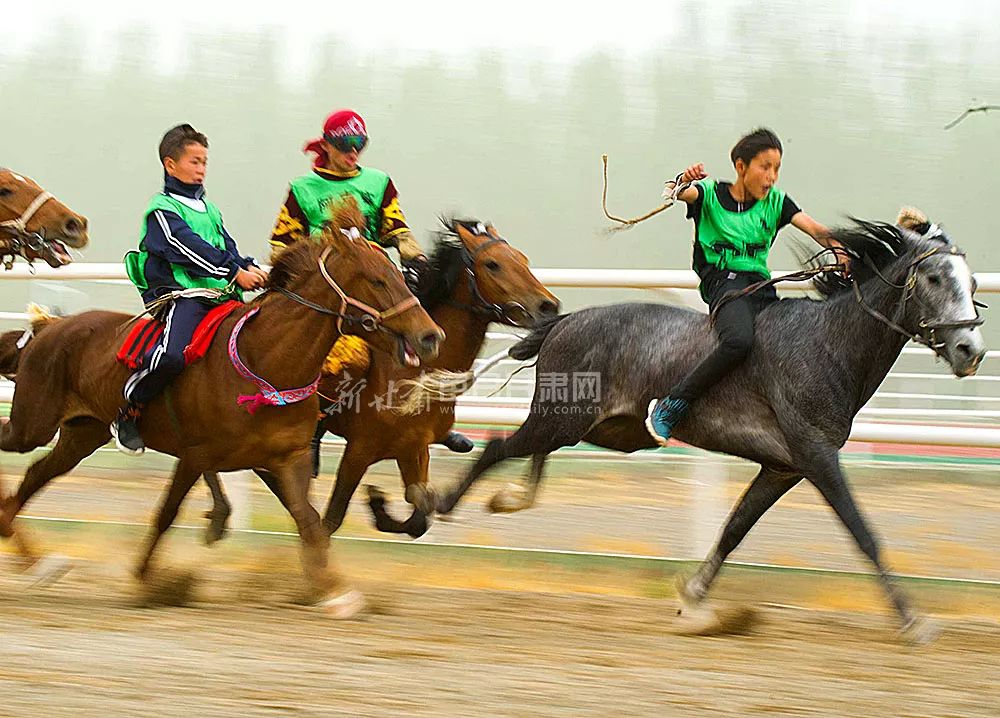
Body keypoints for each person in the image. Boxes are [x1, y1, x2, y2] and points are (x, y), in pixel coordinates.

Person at [270, 109, 472, 453]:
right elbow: (281, 244)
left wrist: (414, 256)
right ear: (328, 145)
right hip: (330, 286)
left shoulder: (379, 182)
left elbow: (396, 227)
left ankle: (432, 423)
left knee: (419, 332)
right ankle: (315, 425)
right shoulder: (302, 189)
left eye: (360, 144)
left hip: (374, 281)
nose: (353, 152)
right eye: (345, 144)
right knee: (341, 358)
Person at [646, 127, 848, 445]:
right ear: (741, 167)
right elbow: (676, 191)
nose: (771, 177)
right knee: (738, 341)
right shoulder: (710, 195)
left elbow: (816, 229)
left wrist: (838, 248)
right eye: (764, 167)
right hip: (723, 283)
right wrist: (684, 179)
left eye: (776, 169)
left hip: (760, 287)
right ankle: (672, 404)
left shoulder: (777, 203)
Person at [117, 124, 267, 455]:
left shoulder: (210, 209)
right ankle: (130, 408)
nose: (201, 169)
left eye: (204, 162)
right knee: (172, 356)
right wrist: (233, 271)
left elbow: (225, 246)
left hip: (222, 295)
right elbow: (184, 247)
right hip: (183, 296)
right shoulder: (161, 210)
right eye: (194, 161)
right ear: (170, 165)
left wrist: (247, 264)